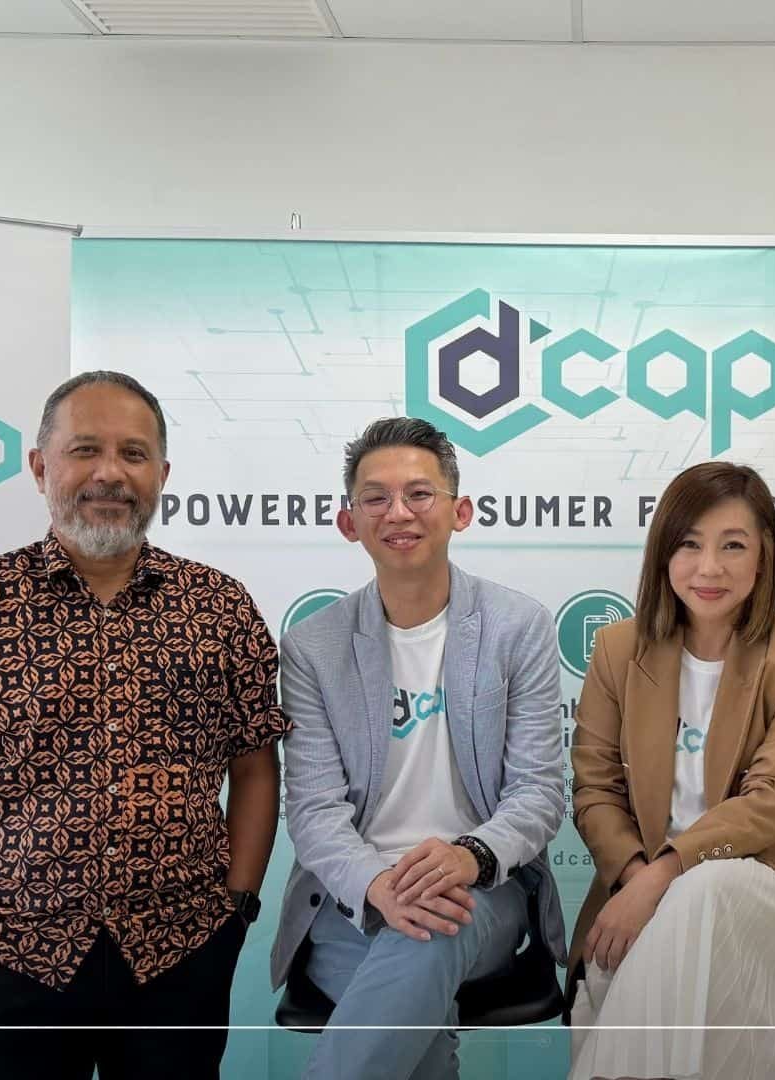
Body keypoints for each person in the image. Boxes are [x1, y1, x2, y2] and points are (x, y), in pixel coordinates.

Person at [0, 371, 286, 1080]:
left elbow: (254, 767)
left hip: (180, 957)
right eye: (85, 450)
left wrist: (235, 909)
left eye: (133, 453)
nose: (110, 473)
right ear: (39, 467)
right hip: (7, 958)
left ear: (163, 474)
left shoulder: (219, 606)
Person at [268, 416, 566, 1080]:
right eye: (375, 497)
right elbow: (314, 812)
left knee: (432, 930)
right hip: (352, 901)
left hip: (479, 891)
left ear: (460, 511)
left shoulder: (518, 627)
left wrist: (469, 857)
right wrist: (379, 886)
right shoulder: (313, 647)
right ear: (349, 522)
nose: (398, 512)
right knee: (411, 1017)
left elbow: (538, 791)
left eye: (419, 493)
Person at [568, 461, 775, 1080]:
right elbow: (595, 787)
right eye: (689, 544)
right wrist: (634, 877)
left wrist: (663, 877)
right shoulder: (619, 649)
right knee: (655, 932)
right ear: (664, 554)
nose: (709, 568)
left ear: (763, 558)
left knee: (704, 890)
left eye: (733, 545)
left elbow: (773, 799)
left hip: (771, 879)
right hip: (641, 878)